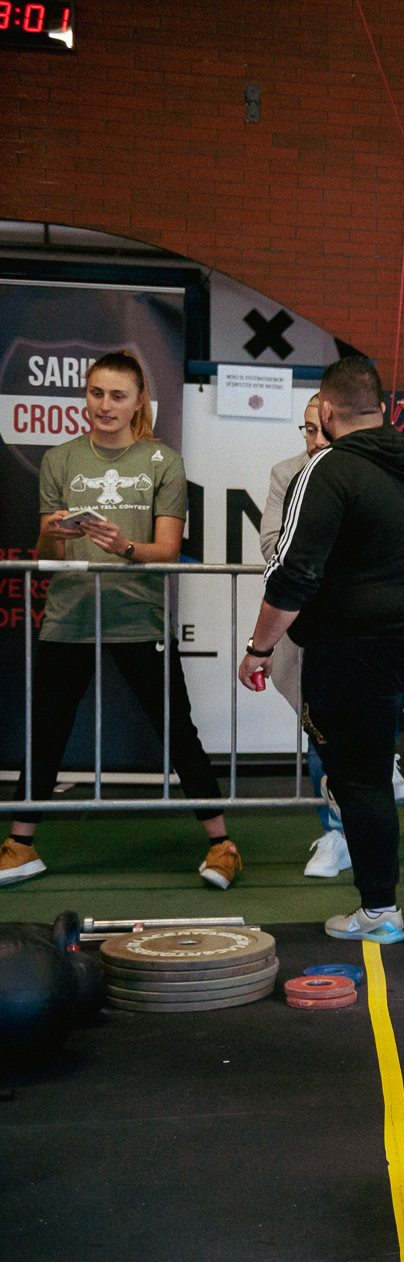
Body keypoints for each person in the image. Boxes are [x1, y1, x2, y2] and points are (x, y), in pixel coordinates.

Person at [2, 351, 239, 890]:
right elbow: (45, 554)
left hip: (139, 615)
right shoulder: (60, 460)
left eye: (117, 396)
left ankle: (222, 844)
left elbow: (168, 550)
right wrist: (54, 535)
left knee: (177, 731)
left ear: (138, 403)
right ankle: (19, 847)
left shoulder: (163, 462)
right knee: (46, 733)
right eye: (95, 393)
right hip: (69, 613)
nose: (104, 405)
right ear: (85, 396)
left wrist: (124, 545)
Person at [239, 356, 404, 944]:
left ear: (327, 413)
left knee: (358, 781)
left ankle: (380, 911)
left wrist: (259, 648)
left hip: (357, 644)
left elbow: (292, 574)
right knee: (366, 774)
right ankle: (377, 878)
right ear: (382, 408)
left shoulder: (328, 468)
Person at [261, 395, 404, 880]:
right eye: (305, 431)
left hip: (367, 627)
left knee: (374, 722)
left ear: (336, 423)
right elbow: (273, 547)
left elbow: (388, 545)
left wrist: (328, 557)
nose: (314, 440)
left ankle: (369, 828)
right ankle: (334, 830)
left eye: (319, 429)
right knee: (318, 731)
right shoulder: (288, 472)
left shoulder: (377, 468)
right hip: (312, 623)